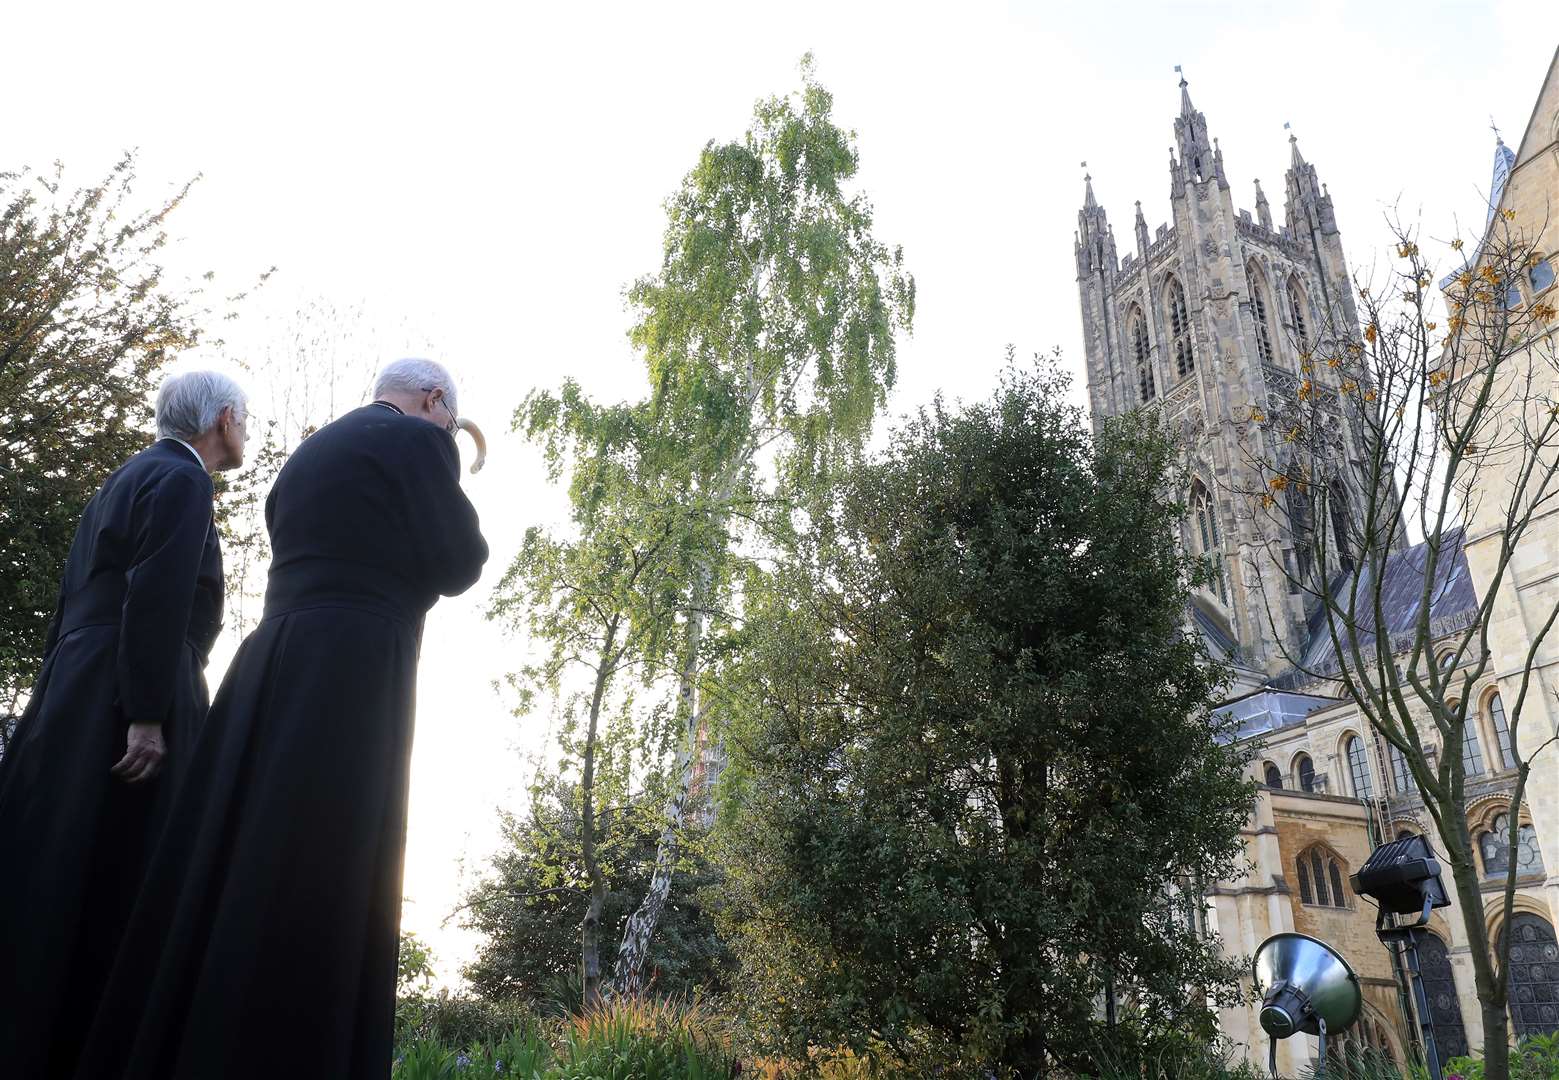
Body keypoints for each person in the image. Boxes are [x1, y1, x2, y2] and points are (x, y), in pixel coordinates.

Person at [77, 358, 488, 1079]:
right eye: (446, 417)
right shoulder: (424, 441)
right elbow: (459, 562)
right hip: (356, 663)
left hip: (272, 658)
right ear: (433, 401)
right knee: (333, 856)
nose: (445, 429)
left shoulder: (307, 454)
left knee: (247, 850)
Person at [0, 370, 247, 1078]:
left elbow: (73, 596)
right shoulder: (182, 481)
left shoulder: (126, 476)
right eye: (245, 418)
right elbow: (158, 592)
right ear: (222, 418)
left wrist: (54, 697)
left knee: (62, 863)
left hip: (77, 688)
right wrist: (145, 713)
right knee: (128, 874)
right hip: (128, 690)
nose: (246, 431)